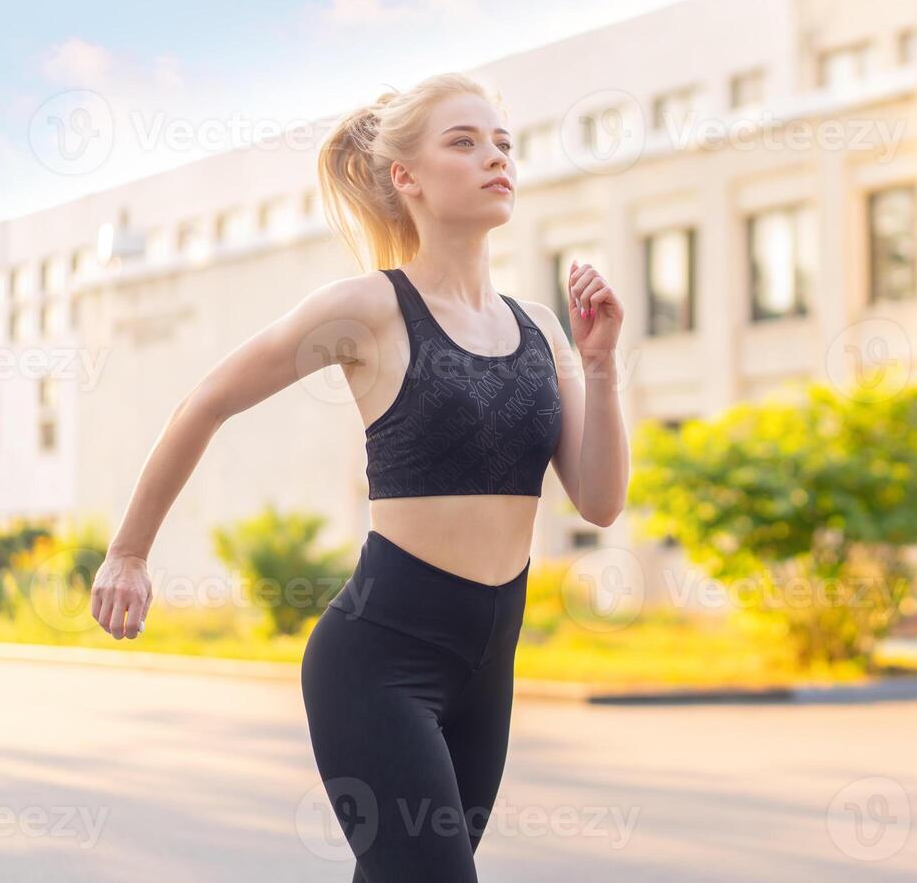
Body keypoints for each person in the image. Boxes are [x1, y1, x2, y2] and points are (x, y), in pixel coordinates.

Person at [88, 72, 629, 880]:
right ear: (404, 177)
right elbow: (205, 402)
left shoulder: (541, 328)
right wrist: (128, 553)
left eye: (503, 143)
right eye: (464, 141)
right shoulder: (369, 310)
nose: (495, 158)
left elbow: (600, 500)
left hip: (489, 671)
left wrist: (599, 365)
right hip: (376, 667)